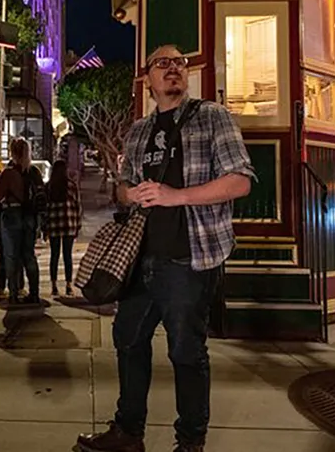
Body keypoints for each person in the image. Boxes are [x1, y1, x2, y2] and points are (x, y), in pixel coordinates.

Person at [77, 45, 255, 452]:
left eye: (179, 63)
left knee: (186, 351)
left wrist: (177, 196)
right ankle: (128, 433)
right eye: (163, 63)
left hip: (190, 258)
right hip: (140, 258)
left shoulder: (212, 117)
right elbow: (120, 188)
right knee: (128, 340)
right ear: (148, 79)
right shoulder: (139, 130)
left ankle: (190, 442)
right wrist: (130, 193)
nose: (173, 69)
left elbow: (240, 181)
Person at [0, 138, 43, 304]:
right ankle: (34, 293)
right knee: (29, 255)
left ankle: (14, 293)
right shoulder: (34, 172)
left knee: (11, 256)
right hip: (30, 216)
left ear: (12, 152)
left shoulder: (8, 173)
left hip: (12, 215)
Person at [43, 160, 82, 298]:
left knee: (54, 255)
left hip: (54, 224)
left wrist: (44, 227)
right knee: (67, 255)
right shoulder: (71, 185)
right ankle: (68, 285)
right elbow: (78, 206)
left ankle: (54, 285)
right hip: (68, 223)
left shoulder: (49, 187)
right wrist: (78, 224)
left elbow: (45, 209)